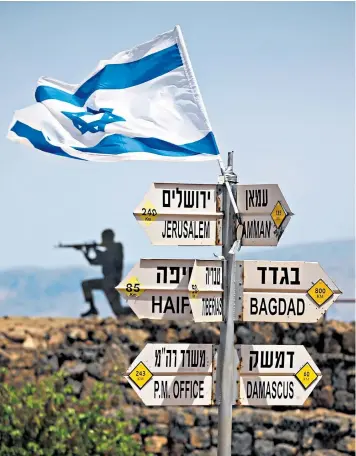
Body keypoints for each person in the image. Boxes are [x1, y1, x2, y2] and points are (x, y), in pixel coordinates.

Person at [79, 229, 130, 317]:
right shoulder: (108, 250)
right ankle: (92, 308)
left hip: (112, 282)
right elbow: (94, 262)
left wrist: (94, 249)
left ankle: (139, 312)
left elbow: (105, 257)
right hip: (106, 282)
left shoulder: (117, 247)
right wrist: (85, 252)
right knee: (86, 285)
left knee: (119, 311)